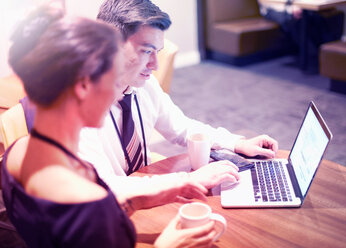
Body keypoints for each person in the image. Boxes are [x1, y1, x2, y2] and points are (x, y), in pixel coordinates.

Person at [2, 4, 221, 247]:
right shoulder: (91, 208)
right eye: (115, 81)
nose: (120, 95)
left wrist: (147, 195)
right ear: (83, 87)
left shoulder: (18, 150)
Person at [75, 0, 279, 196]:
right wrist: (187, 181)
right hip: (111, 209)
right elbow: (106, 187)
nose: (155, 65)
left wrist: (237, 143)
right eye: (147, 51)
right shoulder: (78, 108)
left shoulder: (143, 85)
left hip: (147, 184)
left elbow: (181, 127)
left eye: (157, 52)